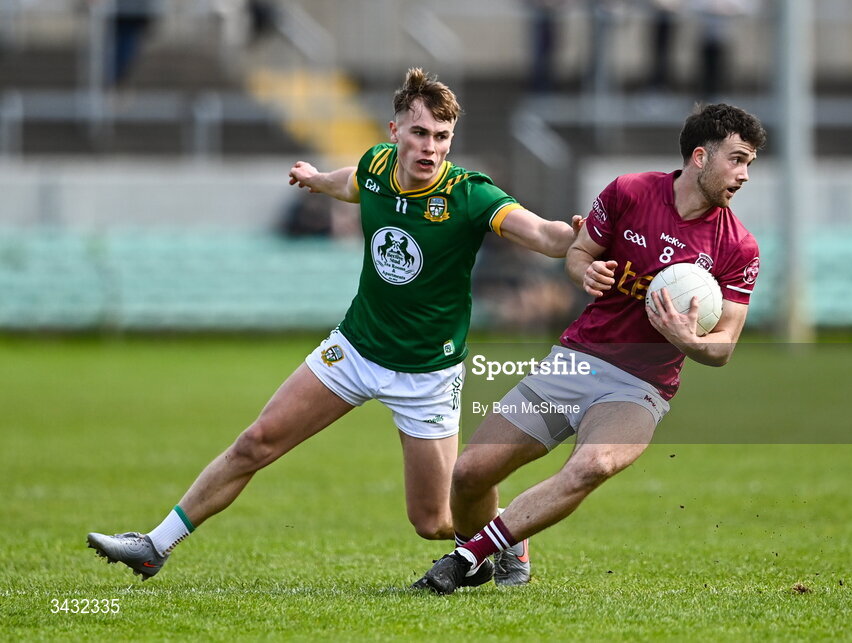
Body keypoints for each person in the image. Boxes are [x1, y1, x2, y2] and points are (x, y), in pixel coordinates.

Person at [86, 68, 581, 586]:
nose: (429, 147)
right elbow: (353, 182)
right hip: (356, 348)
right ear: (395, 132)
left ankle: (509, 536)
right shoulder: (376, 166)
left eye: (441, 137)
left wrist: (571, 236)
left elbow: (541, 235)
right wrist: (317, 180)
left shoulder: (470, 195)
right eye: (419, 133)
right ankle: (154, 545)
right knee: (256, 442)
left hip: (426, 373)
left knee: (433, 522)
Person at [413, 103, 766, 594]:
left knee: (593, 465)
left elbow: (724, 345)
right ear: (701, 157)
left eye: (750, 163)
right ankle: (504, 545)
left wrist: (688, 340)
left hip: (642, 387)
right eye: (738, 159)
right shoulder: (629, 191)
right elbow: (578, 255)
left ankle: (467, 558)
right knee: (471, 475)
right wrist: (587, 271)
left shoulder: (738, 247)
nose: (745, 174)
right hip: (577, 362)